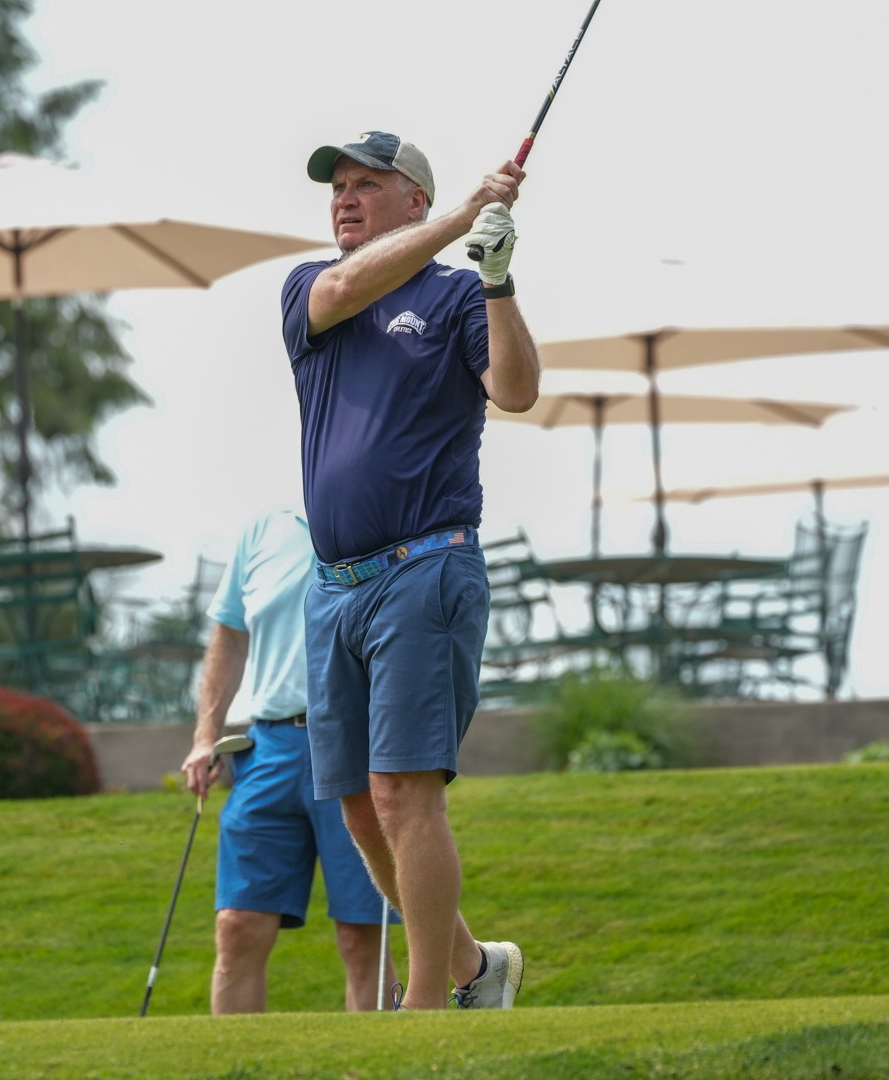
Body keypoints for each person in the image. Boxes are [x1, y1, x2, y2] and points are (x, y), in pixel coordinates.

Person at [279, 132, 541, 1010]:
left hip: (425, 568)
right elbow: (349, 286)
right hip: (335, 587)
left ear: (414, 201)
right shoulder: (311, 291)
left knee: (402, 793)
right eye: (338, 187)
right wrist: (471, 213)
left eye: (367, 185)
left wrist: (498, 279)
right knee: (357, 806)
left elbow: (515, 390)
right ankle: (474, 967)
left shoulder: (458, 294)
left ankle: (428, 1006)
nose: (344, 199)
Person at [180, 508, 397, 1013]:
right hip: (268, 748)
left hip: (356, 745)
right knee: (237, 925)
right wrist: (205, 735)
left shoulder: (387, 514)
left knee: (362, 936)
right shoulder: (261, 531)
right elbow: (230, 635)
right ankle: (237, 1070)